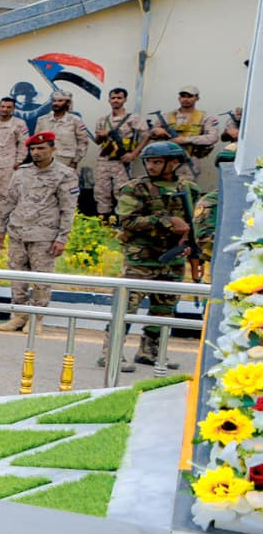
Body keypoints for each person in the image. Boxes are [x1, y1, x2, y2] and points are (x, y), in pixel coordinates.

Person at [114, 141, 196, 369]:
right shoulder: (135, 188)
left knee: (164, 309)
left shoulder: (189, 189)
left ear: (174, 163)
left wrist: (189, 244)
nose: (151, 166)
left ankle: (150, 351)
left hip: (172, 259)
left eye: (157, 162)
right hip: (141, 259)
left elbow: (193, 224)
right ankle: (112, 351)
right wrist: (166, 222)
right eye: (148, 162)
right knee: (127, 308)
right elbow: (127, 221)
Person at [2, 131, 77, 331]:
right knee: (17, 276)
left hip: (44, 235)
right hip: (18, 231)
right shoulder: (21, 172)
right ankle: (19, 315)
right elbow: (10, 201)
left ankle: (36, 318)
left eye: (41, 148)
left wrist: (62, 237)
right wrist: (1, 229)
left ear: (53, 148)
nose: (36, 152)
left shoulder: (65, 174)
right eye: (33, 149)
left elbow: (68, 209)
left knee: (41, 278)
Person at [93, 86, 143, 217]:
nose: (116, 100)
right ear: (109, 100)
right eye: (113, 98)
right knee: (101, 191)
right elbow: (97, 141)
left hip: (121, 160)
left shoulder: (133, 118)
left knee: (122, 192)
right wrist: (101, 135)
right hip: (104, 160)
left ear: (125, 100)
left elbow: (146, 136)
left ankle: (124, 220)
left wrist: (133, 154)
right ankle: (103, 221)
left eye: (119, 98)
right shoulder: (102, 120)